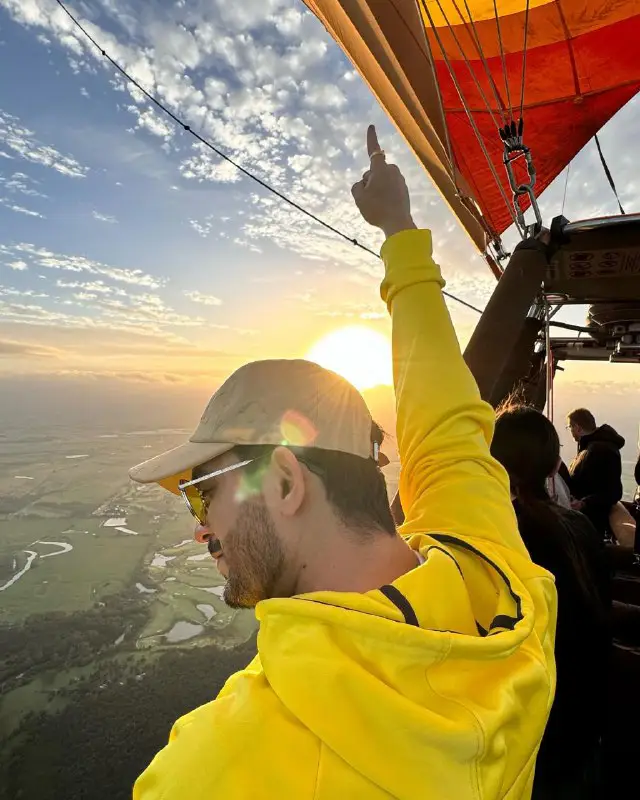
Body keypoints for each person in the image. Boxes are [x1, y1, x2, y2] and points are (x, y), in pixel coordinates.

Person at [130, 126, 556, 800]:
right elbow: (445, 428)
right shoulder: (495, 573)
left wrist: (401, 229)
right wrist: (398, 232)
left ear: (287, 481)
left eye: (200, 492)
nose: (199, 528)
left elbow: (445, 430)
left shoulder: (222, 767)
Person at [491, 403, 611, 798]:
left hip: (537, 733)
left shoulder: (503, 535)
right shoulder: (577, 525)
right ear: (555, 464)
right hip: (588, 718)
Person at [567, 408, 625, 538]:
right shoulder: (592, 447)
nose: (570, 431)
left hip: (590, 525)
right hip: (585, 520)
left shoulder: (601, 450)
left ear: (578, 428)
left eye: (570, 427)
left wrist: (584, 503)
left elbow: (613, 492)